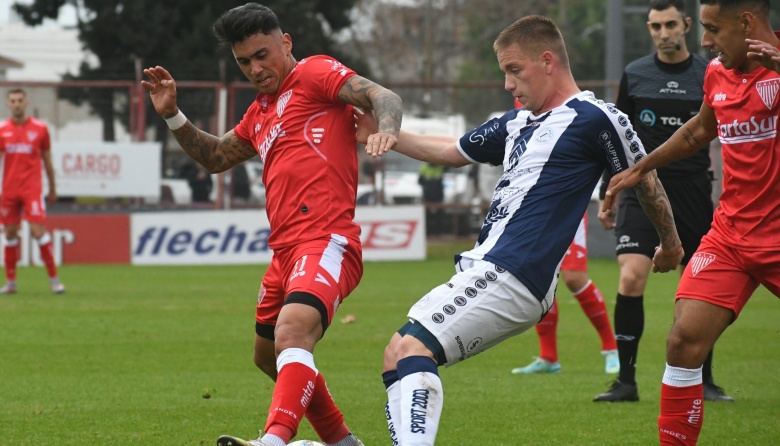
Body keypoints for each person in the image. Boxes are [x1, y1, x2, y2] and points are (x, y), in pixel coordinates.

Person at [362, 15, 682, 445]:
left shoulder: (596, 117)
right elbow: (448, 151)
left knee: (416, 350)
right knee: (395, 353)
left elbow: (645, 179)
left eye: (515, 70)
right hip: (485, 267)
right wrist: (382, 131)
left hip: (515, 270)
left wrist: (671, 244)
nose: (508, 84)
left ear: (547, 61)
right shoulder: (515, 123)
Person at [141, 3, 402, 446]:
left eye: (263, 55)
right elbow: (217, 157)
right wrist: (172, 115)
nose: (255, 69)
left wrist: (388, 129)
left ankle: (274, 440)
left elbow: (384, 97)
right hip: (283, 253)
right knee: (268, 357)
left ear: (286, 43)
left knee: (293, 332)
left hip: (325, 239)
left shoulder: (316, 74)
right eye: (244, 61)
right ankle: (342, 442)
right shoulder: (260, 111)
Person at [602, 0, 779, 443]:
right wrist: (643, 166)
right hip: (731, 237)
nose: (704, 41)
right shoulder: (717, 72)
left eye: (712, 29)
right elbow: (700, 130)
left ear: (747, 22)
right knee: (682, 341)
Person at [595, 0, 733, 403]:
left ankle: (703, 380)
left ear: (687, 25)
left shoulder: (709, 73)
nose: (663, 33)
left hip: (692, 192)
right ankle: (626, 382)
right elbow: (616, 141)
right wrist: (611, 191)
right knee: (630, 277)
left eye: (670, 24)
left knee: (699, 290)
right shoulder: (635, 74)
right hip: (643, 193)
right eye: (655, 26)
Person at [511, 212, 619, 375]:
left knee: (574, 277)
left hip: (569, 207)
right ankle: (548, 357)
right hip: (538, 210)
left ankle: (612, 348)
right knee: (539, 276)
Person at [0, 88, 65, 295]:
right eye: (13, 101)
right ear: (8, 104)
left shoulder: (40, 129)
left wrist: (53, 188)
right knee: (10, 233)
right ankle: (11, 283)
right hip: (8, 190)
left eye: (20, 100)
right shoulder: (2, 130)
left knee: (38, 231)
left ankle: (55, 280)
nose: (17, 104)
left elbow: (47, 160)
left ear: (25, 103)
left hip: (31, 189)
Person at [418, 162, 445, 235]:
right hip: (428, 196)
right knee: (427, 215)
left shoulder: (440, 167)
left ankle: (438, 233)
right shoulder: (425, 168)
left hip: (438, 196)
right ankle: (428, 233)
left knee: (439, 216)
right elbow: (420, 181)